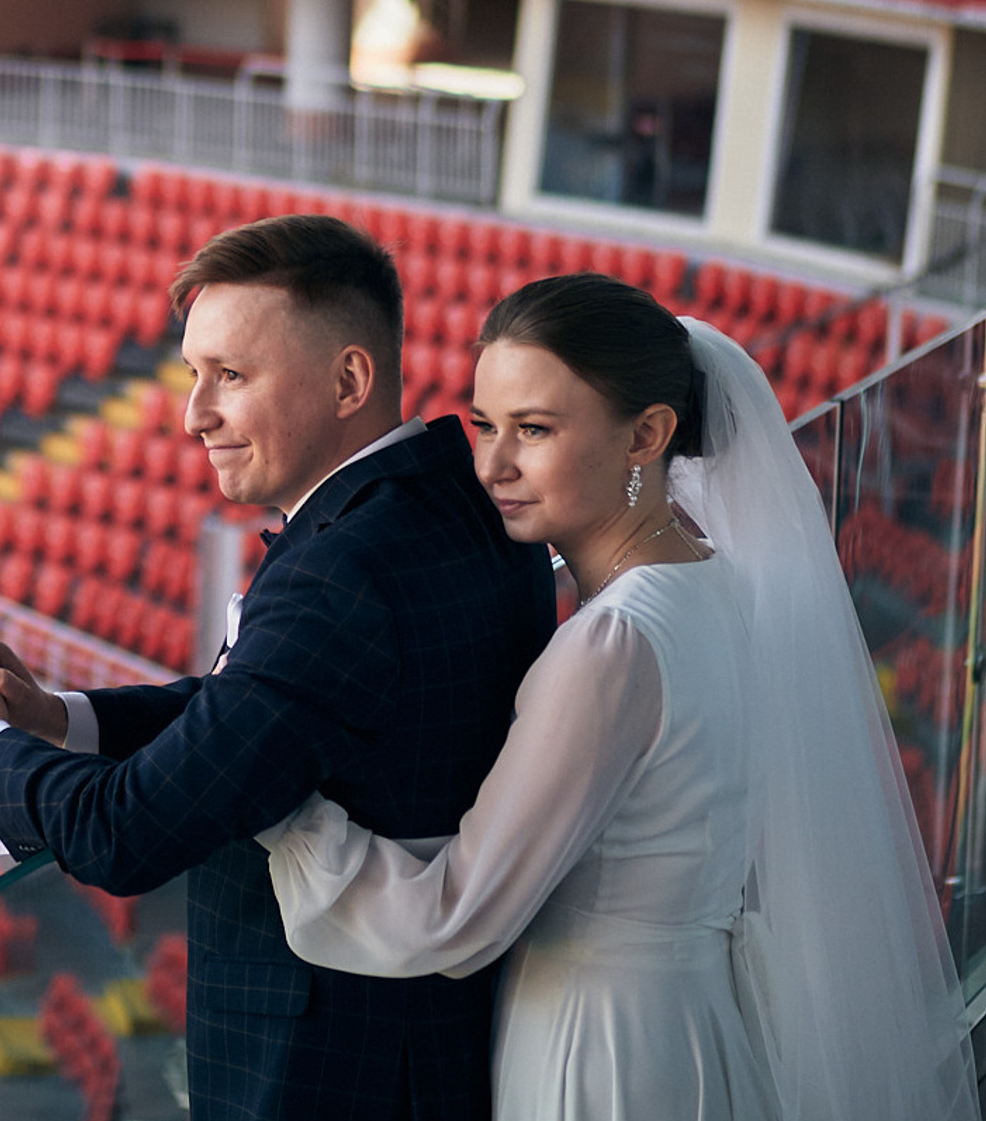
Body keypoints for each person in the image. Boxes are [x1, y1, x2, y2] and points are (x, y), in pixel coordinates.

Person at [259, 274, 979, 1121]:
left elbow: (452, 918)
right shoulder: (718, 581)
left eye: (535, 429)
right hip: (693, 1022)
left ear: (648, 434)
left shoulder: (615, 642)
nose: (492, 464)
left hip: (598, 1053)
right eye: (485, 425)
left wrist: (275, 801)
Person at [0, 214, 557, 1121]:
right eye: (192, 376)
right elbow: (259, 709)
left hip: (327, 1066)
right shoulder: (452, 502)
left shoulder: (346, 573)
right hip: (414, 1041)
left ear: (349, 380)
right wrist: (60, 721)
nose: (193, 415)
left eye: (231, 377)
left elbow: (124, 835)